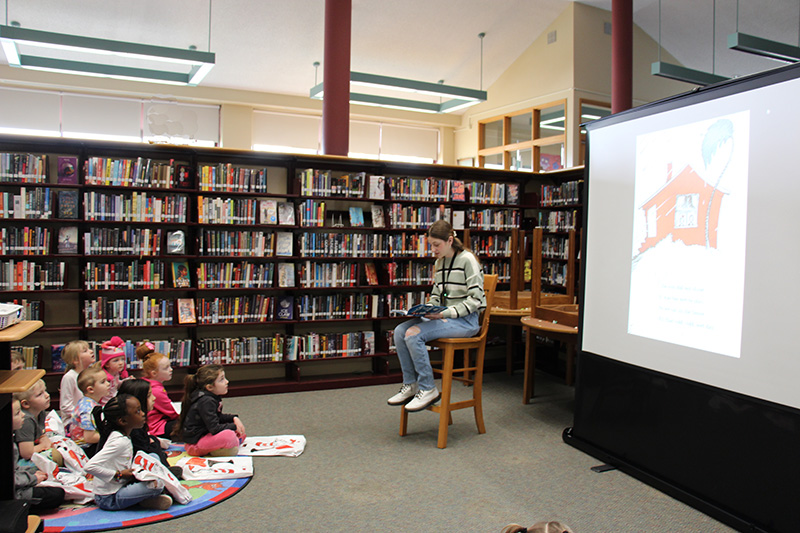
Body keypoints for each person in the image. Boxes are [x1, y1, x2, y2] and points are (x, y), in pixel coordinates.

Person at [388, 219, 486, 412]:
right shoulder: (440, 262)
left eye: (436, 244)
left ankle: (428, 388)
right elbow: (436, 295)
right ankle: (411, 384)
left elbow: (476, 301)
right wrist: (429, 309)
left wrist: (444, 312)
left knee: (414, 333)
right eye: (430, 244)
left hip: (465, 321)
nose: (433, 249)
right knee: (400, 331)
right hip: (445, 317)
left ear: (450, 241)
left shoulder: (468, 260)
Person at [84, 394, 173, 511]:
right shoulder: (119, 442)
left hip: (123, 484)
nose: (143, 414)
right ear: (123, 421)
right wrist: (119, 474)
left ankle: (143, 500)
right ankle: (143, 500)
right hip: (109, 497)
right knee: (157, 484)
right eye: (137, 412)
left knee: (153, 457)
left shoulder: (124, 436)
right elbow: (89, 466)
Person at [173, 364, 246, 456]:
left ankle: (222, 447)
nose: (227, 382)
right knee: (230, 435)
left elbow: (217, 417)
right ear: (210, 387)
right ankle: (218, 448)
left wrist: (234, 418)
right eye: (222, 379)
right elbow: (214, 428)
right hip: (195, 443)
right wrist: (234, 426)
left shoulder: (212, 397)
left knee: (240, 433)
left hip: (205, 433)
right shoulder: (206, 401)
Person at [11, 398, 65, 512]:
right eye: (17, 413)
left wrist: (30, 473)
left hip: (19, 481)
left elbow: (15, 469)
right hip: (15, 494)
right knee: (57, 495)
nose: (22, 415)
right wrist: (33, 478)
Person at [117, 378, 171, 469]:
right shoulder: (132, 428)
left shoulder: (137, 424)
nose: (154, 398)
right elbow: (146, 452)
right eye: (149, 395)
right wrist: (155, 444)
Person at [137, 342, 179, 440]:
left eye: (170, 366)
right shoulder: (155, 390)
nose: (171, 370)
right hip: (156, 427)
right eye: (166, 368)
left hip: (155, 423)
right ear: (154, 373)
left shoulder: (148, 383)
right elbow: (172, 413)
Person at [71, 363, 111, 457]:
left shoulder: (89, 402)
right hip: (86, 449)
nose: (108, 384)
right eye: (103, 382)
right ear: (90, 389)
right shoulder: (88, 410)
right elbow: (89, 437)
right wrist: (111, 435)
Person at [13, 379, 58, 462]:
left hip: (35, 448)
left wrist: (44, 440)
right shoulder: (26, 420)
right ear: (26, 404)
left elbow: (41, 434)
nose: (47, 395)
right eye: (40, 394)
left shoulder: (40, 411)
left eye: (45, 390)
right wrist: (44, 445)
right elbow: (27, 453)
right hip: (20, 461)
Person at [58, 340, 96, 432]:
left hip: (88, 417)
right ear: (75, 360)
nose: (91, 351)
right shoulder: (69, 377)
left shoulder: (90, 373)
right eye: (85, 351)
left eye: (89, 349)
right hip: (74, 422)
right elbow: (65, 406)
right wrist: (83, 415)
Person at [99, 336, 129, 405]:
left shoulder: (116, 373)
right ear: (106, 364)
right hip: (106, 404)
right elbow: (104, 395)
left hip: (114, 400)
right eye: (116, 360)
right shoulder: (104, 377)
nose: (121, 363)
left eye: (122, 359)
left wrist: (125, 381)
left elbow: (116, 385)